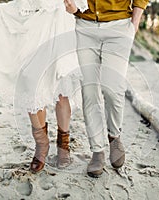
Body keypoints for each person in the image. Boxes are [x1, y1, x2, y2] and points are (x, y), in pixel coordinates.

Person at [0, 0, 88, 173]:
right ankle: (42, 145)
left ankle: (64, 147)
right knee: (31, 84)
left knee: (62, 90)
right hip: (33, 23)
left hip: (62, 22)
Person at [64, 0, 149, 177]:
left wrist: (134, 25)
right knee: (89, 91)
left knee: (113, 88)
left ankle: (114, 136)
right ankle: (97, 150)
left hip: (119, 26)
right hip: (84, 25)